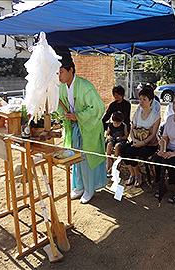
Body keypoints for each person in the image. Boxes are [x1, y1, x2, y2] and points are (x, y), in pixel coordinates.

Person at [54, 46, 106, 204]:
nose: (59, 76)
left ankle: (89, 190)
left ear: (70, 70)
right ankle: (79, 187)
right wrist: (65, 115)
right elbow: (60, 106)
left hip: (89, 127)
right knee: (76, 156)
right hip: (76, 127)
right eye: (57, 73)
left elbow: (99, 108)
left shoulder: (85, 86)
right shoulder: (62, 87)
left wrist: (78, 116)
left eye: (61, 72)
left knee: (87, 158)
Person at [121, 86, 160, 187]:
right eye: (140, 99)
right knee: (123, 149)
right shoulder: (137, 114)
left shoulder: (155, 116)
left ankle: (137, 174)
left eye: (144, 99)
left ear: (150, 101)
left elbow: (153, 135)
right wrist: (134, 141)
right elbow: (132, 129)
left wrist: (142, 143)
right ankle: (134, 173)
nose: (141, 101)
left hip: (149, 145)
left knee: (130, 151)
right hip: (136, 141)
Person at [105, 111, 128, 177]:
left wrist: (121, 137)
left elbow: (126, 135)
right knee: (109, 145)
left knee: (117, 146)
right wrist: (109, 137)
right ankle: (108, 167)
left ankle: (114, 167)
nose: (117, 124)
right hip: (112, 139)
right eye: (115, 122)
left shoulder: (124, 125)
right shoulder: (110, 125)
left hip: (120, 140)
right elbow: (107, 134)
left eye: (118, 123)